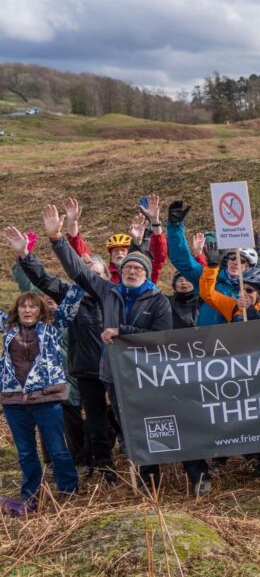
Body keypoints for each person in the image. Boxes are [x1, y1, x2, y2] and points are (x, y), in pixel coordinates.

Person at [42, 205, 193, 495]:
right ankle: (141, 482)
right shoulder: (107, 292)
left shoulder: (158, 300)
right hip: (114, 375)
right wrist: (57, 239)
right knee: (128, 428)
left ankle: (163, 479)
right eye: (127, 268)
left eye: (138, 268)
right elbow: (78, 271)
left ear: (146, 273)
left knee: (150, 426)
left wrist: (122, 332)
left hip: (148, 377)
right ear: (119, 273)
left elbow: (160, 337)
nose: (132, 271)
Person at [7, 227, 115, 483]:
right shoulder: (72, 297)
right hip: (87, 370)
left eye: (97, 275)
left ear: (106, 277)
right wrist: (25, 255)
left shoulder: (115, 297)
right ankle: (104, 469)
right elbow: (42, 280)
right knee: (94, 424)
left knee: (118, 421)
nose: (92, 281)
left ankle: (106, 456)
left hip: (118, 370)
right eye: (88, 276)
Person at [0, 286, 82, 509]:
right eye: (23, 306)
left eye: (33, 306)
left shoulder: (52, 327)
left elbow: (71, 302)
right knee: (26, 452)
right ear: (17, 309)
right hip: (14, 400)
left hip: (47, 399)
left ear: (40, 309)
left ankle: (69, 491)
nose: (27, 310)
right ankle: (30, 495)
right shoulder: (8, 328)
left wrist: (82, 272)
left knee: (57, 448)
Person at [166, 199, 257, 326]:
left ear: (250, 266)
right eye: (232, 258)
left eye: (242, 261)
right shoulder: (206, 276)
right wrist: (175, 226)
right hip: (207, 340)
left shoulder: (253, 289)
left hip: (238, 342)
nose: (235, 263)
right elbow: (181, 258)